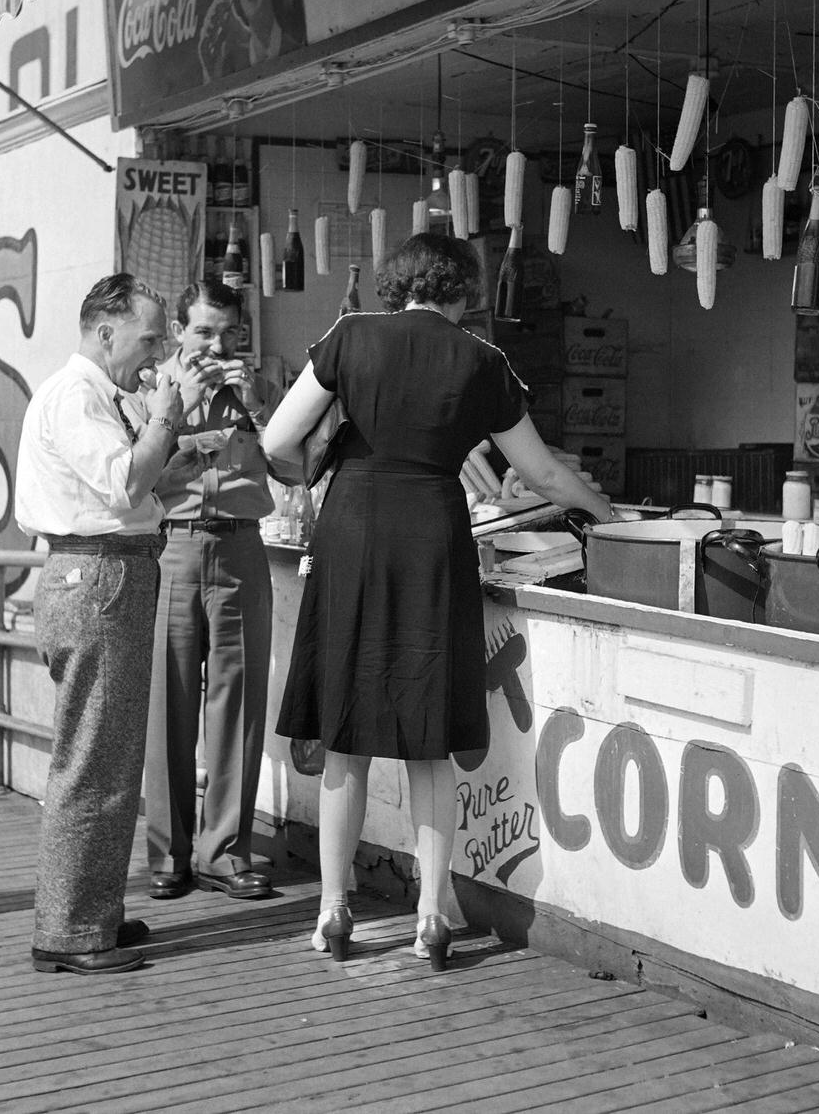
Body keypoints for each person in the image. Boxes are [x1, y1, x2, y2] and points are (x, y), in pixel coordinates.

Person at [260, 233, 612, 970]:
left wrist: (333, 468)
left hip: (352, 528)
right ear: (462, 290)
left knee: (345, 732)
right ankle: (430, 914)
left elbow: (277, 440)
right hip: (432, 534)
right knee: (430, 736)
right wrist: (603, 515)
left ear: (398, 283)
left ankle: (332, 906)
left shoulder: (348, 337)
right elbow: (542, 472)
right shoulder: (485, 362)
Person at [14, 273, 183, 975]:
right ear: (106, 330)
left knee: (107, 755)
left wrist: (172, 442)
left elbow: (124, 489)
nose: (158, 351)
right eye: (150, 337)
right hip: (99, 580)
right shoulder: (78, 395)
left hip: (101, 575)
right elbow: (122, 484)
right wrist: (168, 419)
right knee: (94, 759)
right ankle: (72, 930)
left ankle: (92, 912)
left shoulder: (88, 394)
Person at [142, 279, 277, 903]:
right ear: (177, 331)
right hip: (171, 547)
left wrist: (259, 406)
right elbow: (135, 481)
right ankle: (168, 852)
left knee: (240, 703)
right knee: (168, 702)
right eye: (203, 332)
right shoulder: (148, 390)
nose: (216, 345)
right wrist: (182, 414)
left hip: (243, 547)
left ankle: (224, 850)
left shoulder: (255, 391)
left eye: (227, 334)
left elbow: (297, 467)